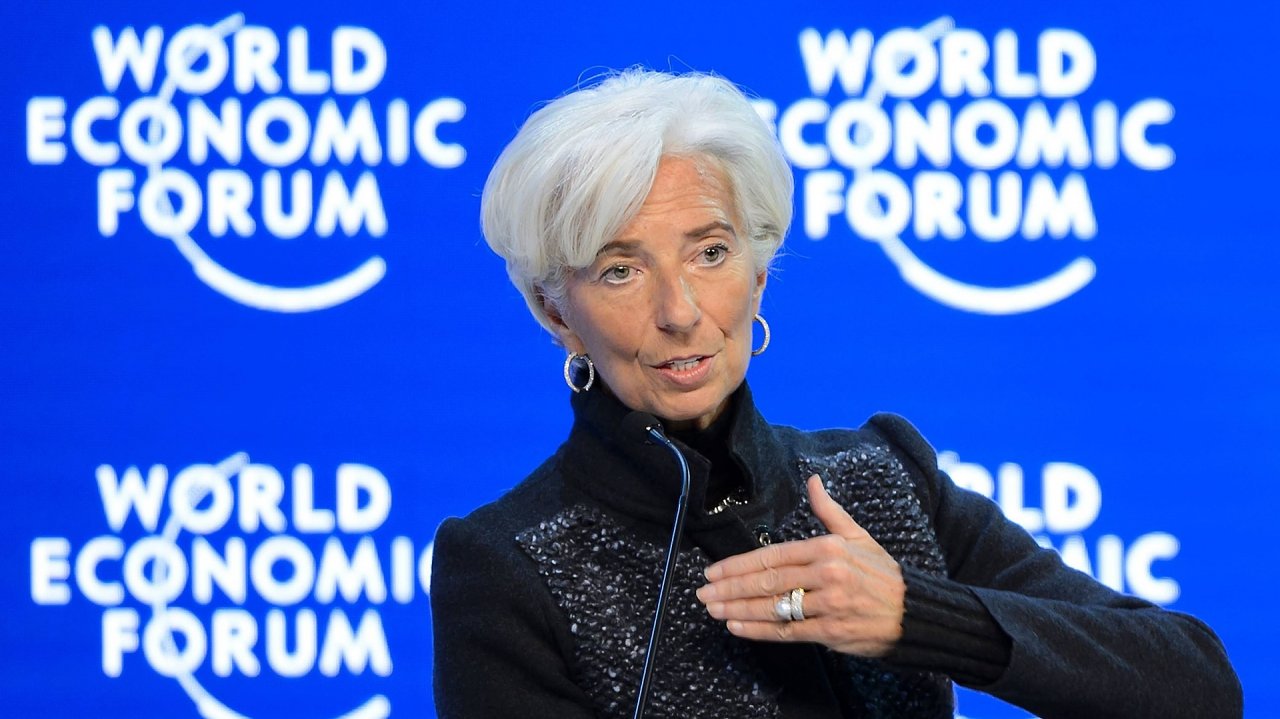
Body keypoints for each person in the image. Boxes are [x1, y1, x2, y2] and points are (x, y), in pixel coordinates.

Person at [430, 69, 1241, 718]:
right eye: (620, 269)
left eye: (710, 253)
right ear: (555, 312)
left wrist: (918, 615)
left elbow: (1197, 686)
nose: (680, 311)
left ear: (758, 271)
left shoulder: (883, 474)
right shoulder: (507, 564)